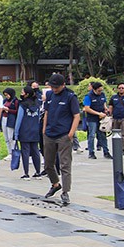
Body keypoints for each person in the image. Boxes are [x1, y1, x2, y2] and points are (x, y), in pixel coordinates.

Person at [42, 74, 80, 205]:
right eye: (52, 87)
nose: (54, 89)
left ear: (63, 85)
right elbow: (46, 112)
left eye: (56, 87)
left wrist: (71, 134)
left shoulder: (70, 96)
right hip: (49, 133)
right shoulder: (50, 95)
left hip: (64, 134)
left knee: (65, 164)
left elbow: (76, 116)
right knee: (48, 164)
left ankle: (65, 191)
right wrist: (44, 128)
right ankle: (55, 183)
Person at [15, 86, 42, 180]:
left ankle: (26, 173)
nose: (21, 93)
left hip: (24, 130)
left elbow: (19, 119)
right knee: (35, 151)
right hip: (35, 130)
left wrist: (16, 133)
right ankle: (38, 172)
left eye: (22, 92)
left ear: (26, 94)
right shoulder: (37, 104)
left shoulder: (22, 105)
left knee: (25, 152)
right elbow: (38, 118)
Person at [83, 81, 111, 159]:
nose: (100, 92)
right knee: (92, 135)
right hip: (92, 118)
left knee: (102, 135)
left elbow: (104, 103)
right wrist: (98, 113)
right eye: (99, 91)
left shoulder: (102, 95)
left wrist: (106, 109)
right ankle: (91, 152)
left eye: (101, 90)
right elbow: (87, 108)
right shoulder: (88, 96)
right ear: (94, 89)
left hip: (101, 118)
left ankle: (106, 152)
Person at [1, 87, 19, 161]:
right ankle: (9, 152)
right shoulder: (5, 101)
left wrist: (9, 110)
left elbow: (17, 111)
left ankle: (14, 152)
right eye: (5, 95)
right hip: (4, 118)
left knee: (11, 137)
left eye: (7, 95)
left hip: (11, 119)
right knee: (6, 137)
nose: (7, 96)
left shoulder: (15, 101)